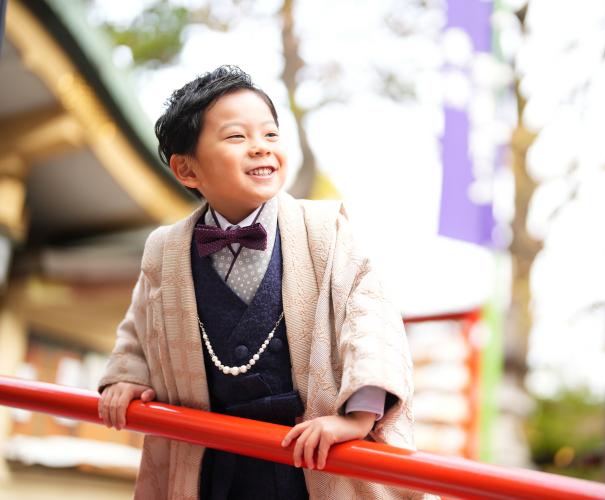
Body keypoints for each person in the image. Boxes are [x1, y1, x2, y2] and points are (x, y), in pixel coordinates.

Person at [97, 66, 426, 499]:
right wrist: (126, 377)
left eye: (270, 134)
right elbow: (142, 327)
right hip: (211, 454)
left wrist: (356, 418)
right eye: (237, 136)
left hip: (308, 453)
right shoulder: (165, 249)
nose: (260, 147)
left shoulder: (324, 230)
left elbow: (370, 322)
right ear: (187, 169)